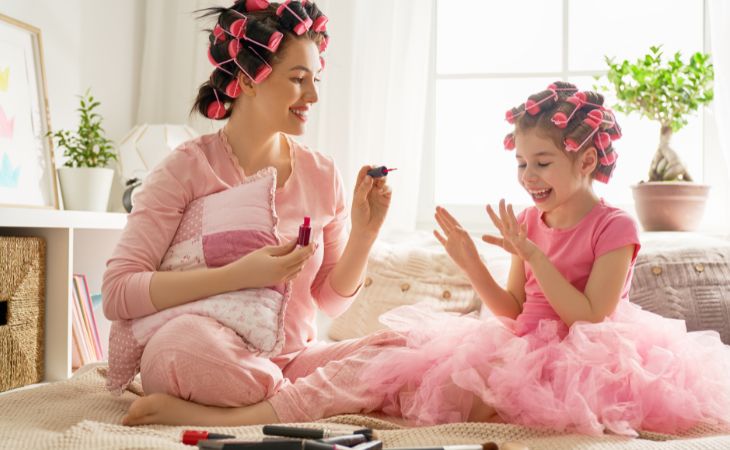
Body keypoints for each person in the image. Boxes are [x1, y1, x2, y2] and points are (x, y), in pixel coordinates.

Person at [361, 81, 730, 436]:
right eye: (522, 164)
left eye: (542, 163)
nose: (529, 177)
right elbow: (515, 311)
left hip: (587, 360)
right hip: (524, 348)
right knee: (449, 394)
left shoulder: (614, 227)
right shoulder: (528, 222)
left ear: (586, 161)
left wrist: (535, 256)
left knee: (514, 408)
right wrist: (472, 263)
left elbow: (591, 318)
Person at [105, 0, 402, 427]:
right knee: (178, 347)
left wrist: (364, 234)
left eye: (315, 79)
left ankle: (247, 413)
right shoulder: (185, 168)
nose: (314, 96)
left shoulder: (322, 173)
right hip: (208, 352)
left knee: (399, 348)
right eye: (299, 79)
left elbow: (330, 302)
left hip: (293, 363)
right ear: (247, 80)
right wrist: (238, 275)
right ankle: (300, 402)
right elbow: (118, 290)